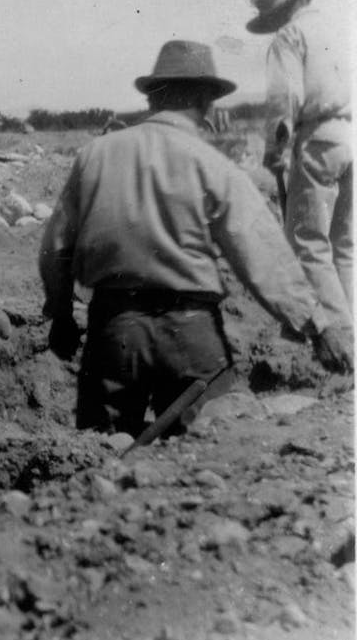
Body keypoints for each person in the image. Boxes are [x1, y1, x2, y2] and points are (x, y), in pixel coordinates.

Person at [38, 40, 352, 438]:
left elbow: (55, 248)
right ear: (205, 99)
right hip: (189, 334)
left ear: (153, 97)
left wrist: (61, 313)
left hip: (114, 330)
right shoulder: (212, 164)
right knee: (207, 454)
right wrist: (317, 326)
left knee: (103, 455)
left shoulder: (95, 155)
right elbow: (262, 257)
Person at [247, 0, 352, 332]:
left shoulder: (288, 37)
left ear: (278, 13)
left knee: (309, 243)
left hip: (318, 141)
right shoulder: (335, 29)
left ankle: (342, 340)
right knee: (345, 246)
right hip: (349, 135)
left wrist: (276, 154)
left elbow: (283, 102)